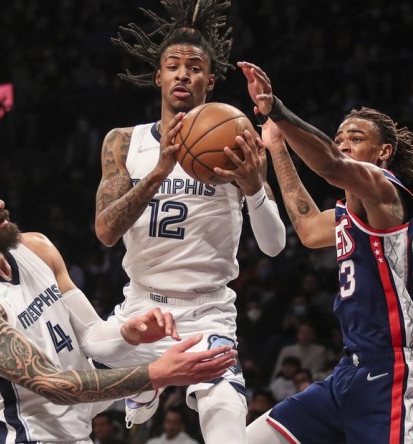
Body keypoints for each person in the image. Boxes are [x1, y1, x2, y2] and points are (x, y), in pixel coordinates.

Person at [0, 147, 237, 443]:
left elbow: (92, 335)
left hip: (78, 433)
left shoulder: (35, 248)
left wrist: (129, 332)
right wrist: (155, 374)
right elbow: (52, 384)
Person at [95, 1, 286, 442]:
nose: (183, 74)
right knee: (59, 405)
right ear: (158, 76)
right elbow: (106, 232)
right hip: (140, 310)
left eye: (194, 67)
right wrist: (159, 172)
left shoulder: (238, 141)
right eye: (173, 66)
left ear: (210, 81)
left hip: (208, 315)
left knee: (226, 429)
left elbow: (274, 246)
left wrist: (255, 188)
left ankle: (148, 387)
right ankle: (144, 387)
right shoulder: (124, 141)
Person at [240, 61, 413, 443]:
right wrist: (278, 148)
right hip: (348, 372)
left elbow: (332, 166)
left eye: (355, 137)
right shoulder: (348, 214)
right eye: (339, 137)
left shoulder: (387, 191)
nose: (343, 143)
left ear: (384, 151)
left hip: (392, 371)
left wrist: (277, 112)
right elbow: (305, 227)